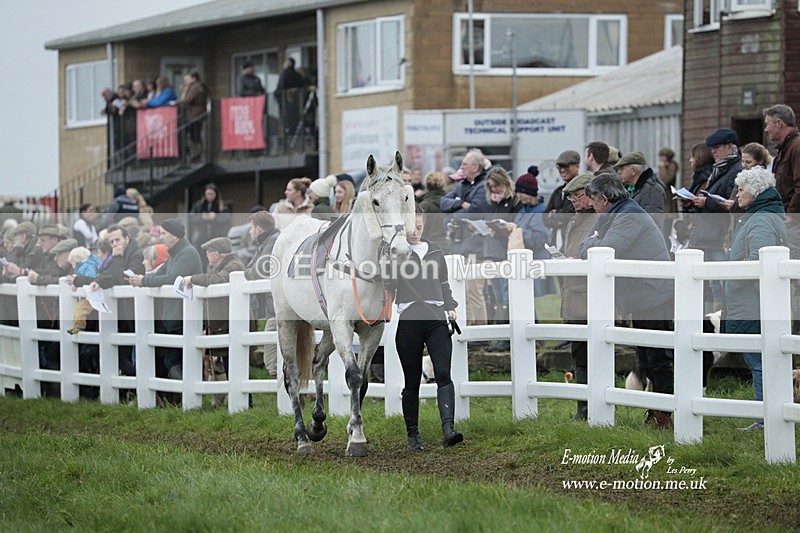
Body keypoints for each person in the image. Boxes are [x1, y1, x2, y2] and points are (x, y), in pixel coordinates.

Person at [579, 174, 674, 429]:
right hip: (642, 295)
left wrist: (593, 241)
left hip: (653, 294)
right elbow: (583, 249)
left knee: (657, 356)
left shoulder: (629, 215)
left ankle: (664, 414)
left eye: (592, 200)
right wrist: (593, 242)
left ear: (604, 199)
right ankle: (658, 411)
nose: (590, 205)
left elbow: (605, 248)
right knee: (646, 354)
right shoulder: (613, 214)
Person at [723, 166, 787, 431]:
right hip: (753, 301)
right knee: (763, 359)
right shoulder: (761, 215)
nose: (737, 194)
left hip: (751, 302)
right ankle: (770, 416)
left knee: (758, 361)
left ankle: (764, 420)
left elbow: (758, 261)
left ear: (755, 191)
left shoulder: (760, 219)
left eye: (741, 189)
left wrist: (730, 278)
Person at [395, 205, 462, 451]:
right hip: (410, 318)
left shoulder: (435, 250)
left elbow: (443, 282)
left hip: (435, 317)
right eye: (412, 228)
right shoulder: (397, 252)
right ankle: (413, 436)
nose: (416, 233)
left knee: (443, 374)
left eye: (420, 227)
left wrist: (450, 305)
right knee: (411, 380)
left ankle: (448, 430)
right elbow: (389, 283)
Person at [128, 218, 203, 381]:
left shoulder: (187, 253)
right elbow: (159, 273)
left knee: (174, 360)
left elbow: (171, 278)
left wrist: (144, 281)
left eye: (164, 233)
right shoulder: (175, 253)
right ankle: (182, 394)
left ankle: (186, 392)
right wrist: (142, 278)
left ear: (175, 236)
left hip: (184, 316)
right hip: (175, 315)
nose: (160, 237)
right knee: (171, 359)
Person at [183, 237, 245, 405]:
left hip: (232, 323)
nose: (207, 256)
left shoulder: (233, 266)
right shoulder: (223, 266)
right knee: (229, 363)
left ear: (216, 254)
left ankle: (243, 403)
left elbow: (217, 280)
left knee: (235, 365)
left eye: (208, 252)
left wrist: (192, 279)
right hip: (226, 323)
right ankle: (237, 402)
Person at [687, 128, 741, 312]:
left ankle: (723, 321)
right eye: (712, 149)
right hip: (709, 235)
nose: (713, 152)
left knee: (722, 283)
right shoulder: (719, 170)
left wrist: (706, 202)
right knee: (713, 285)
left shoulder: (735, 171)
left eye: (717, 148)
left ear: (729, 146)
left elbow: (732, 204)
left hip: (719, 235)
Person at [559, 173, 597, 420]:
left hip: (588, 294)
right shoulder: (575, 220)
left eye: (577, 194)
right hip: (573, 292)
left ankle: (587, 408)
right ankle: (583, 407)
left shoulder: (597, 219)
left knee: (587, 350)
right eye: (570, 195)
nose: (573, 199)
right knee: (578, 351)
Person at [440, 149, 490, 326]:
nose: (461, 167)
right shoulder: (462, 186)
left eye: (464, 164)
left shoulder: (483, 186)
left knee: (474, 290)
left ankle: (480, 332)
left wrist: (455, 213)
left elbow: (475, 211)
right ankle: (468, 329)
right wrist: (460, 203)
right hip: (459, 246)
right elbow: (443, 202)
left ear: (475, 167)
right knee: (461, 290)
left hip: (476, 247)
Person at [763, 104, 800, 331]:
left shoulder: (795, 148)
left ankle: (796, 333)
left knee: (795, 277)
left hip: (794, 223)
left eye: (767, 124)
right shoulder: (786, 149)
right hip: (790, 220)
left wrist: (790, 215)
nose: (766, 130)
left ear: (779, 123)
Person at [244, 211, 281, 375]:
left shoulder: (271, 243)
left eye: (251, 228)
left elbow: (257, 270)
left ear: (258, 229)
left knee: (272, 361)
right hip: (274, 306)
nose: (249, 232)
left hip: (277, 307)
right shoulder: (267, 242)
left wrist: (248, 271)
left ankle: (286, 396)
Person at [509, 168, 555, 297]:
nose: (519, 196)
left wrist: (518, 231)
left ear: (531, 193)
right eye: (517, 192)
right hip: (522, 262)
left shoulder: (540, 212)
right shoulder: (522, 211)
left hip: (535, 262)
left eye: (522, 193)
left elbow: (541, 238)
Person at [613, 152, 666, 229]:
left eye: (622, 168)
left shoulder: (652, 190)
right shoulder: (630, 188)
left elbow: (652, 223)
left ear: (633, 170)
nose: (619, 172)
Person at [188, 183, 232, 266]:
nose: (210, 196)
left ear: (216, 194)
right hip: (201, 237)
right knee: (202, 258)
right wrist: (202, 218)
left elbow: (227, 218)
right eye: (208, 194)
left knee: (217, 258)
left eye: (212, 194)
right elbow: (191, 218)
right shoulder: (198, 205)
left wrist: (215, 217)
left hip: (217, 236)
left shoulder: (221, 205)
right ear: (204, 194)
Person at [543, 154, 579, 248]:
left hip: (573, 243)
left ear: (577, 165)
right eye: (560, 167)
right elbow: (544, 218)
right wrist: (559, 220)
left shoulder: (582, 190)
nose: (562, 170)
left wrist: (554, 214)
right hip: (556, 245)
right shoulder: (558, 191)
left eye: (566, 166)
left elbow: (571, 215)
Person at [176, 71, 209, 161]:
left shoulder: (196, 87)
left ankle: (197, 153)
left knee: (193, 134)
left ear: (194, 78)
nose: (186, 82)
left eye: (188, 79)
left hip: (195, 114)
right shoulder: (194, 87)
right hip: (193, 114)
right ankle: (195, 153)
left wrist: (176, 102)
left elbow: (189, 99)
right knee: (194, 134)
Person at [274, 57, 307, 135]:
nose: (283, 65)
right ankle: (296, 133)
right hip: (297, 104)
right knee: (296, 119)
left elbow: (280, 88)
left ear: (289, 64)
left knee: (287, 121)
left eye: (285, 63)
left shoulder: (284, 74)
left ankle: (288, 134)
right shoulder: (298, 75)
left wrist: (277, 95)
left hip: (286, 102)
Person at [417, 171, 448, 253]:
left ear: (427, 185)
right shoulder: (449, 202)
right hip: (447, 244)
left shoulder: (424, 205)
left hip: (430, 245)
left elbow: (421, 228)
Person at [658, 147, 680, 213]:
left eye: (661, 156)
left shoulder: (672, 165)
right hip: (664, 195)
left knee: (668, 216)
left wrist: (662, 168)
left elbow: (666, 180)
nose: (660, 158)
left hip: (669, 196)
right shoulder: (666, 165)